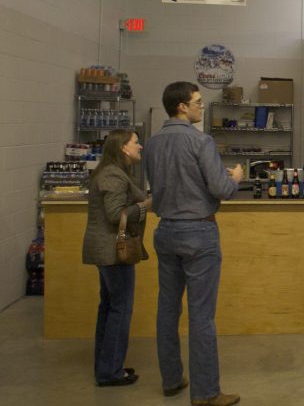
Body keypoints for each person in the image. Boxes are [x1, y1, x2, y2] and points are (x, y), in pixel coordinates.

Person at [143, 82, 244, 406]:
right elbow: (221, 190)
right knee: (201, 316)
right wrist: (235, 179)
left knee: (167, 308)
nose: (202, 107)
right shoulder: (201, 141)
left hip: (165, 231)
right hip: (199, 232)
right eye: (198, 102)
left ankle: (172, 379)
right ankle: (206, 392)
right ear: (182, 107)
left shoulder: (152, 143)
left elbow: (157, 186)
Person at [82, 129, 151, 387]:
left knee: (109, 308)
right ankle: (110, 371)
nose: (140, 146)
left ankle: (105, 367)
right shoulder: (113, 175)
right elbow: (115, 214)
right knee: (120, 309)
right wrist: (146, 206)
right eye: (136, 142)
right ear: (123, 147)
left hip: (106, 252)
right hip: (113, 252)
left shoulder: (113, 172)